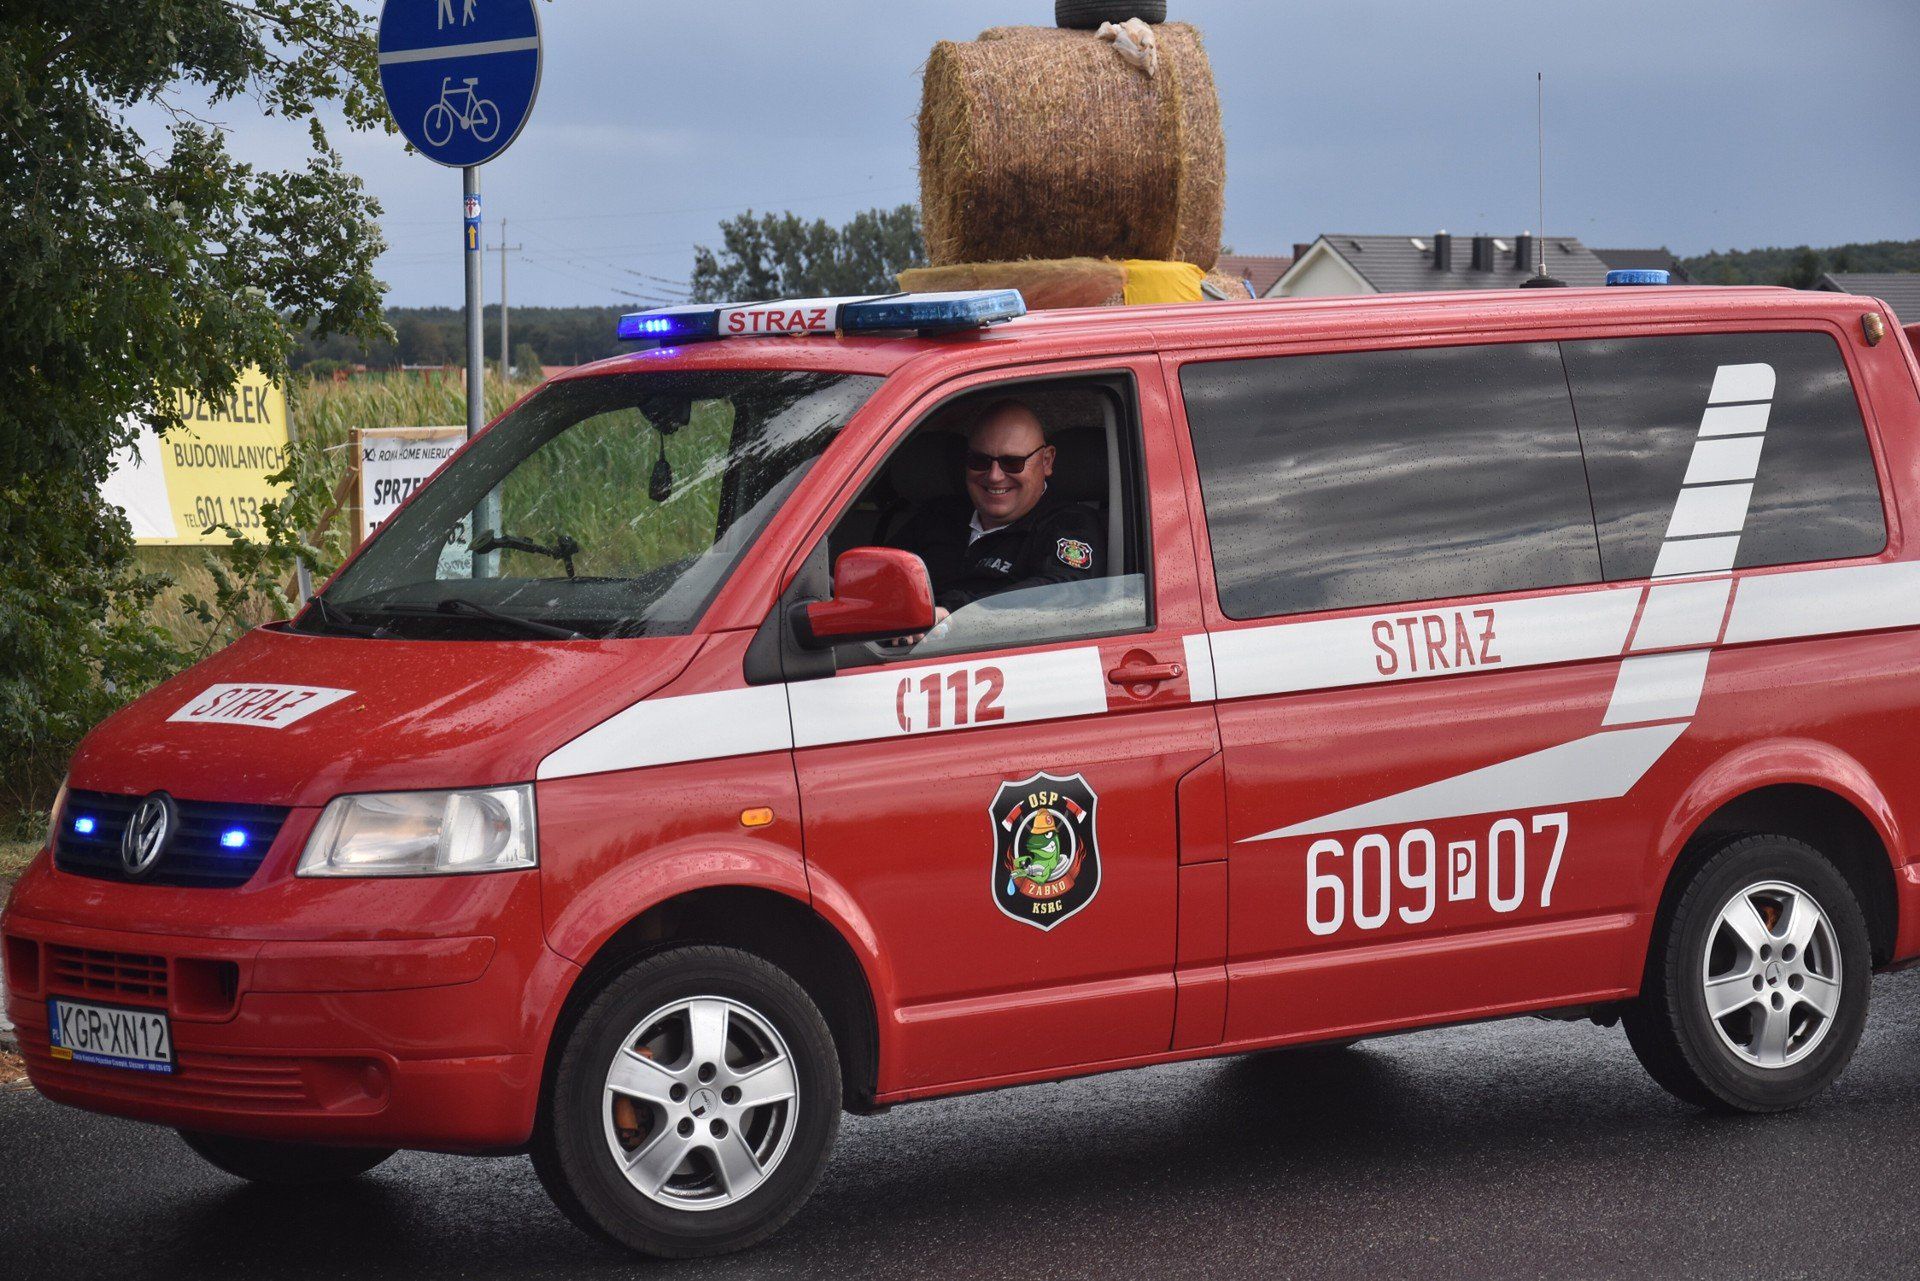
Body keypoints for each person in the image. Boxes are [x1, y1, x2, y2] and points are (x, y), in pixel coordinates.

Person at [888, 399, 1105, 633]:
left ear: (1046, 461)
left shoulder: (1070, 524)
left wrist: (952, 613)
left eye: (1013, 463)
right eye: (980, 461)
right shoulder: (937, 515)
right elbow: (883, 578)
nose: (994, 476)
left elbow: (1066, 591)